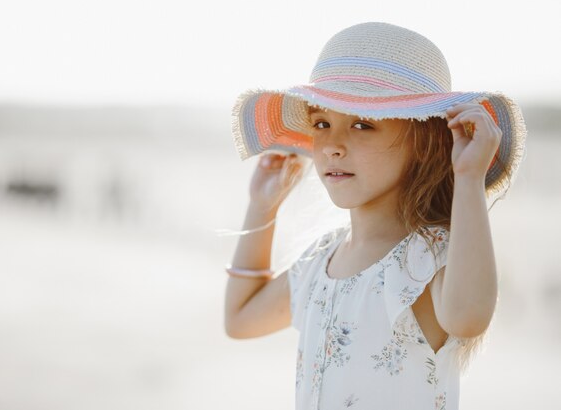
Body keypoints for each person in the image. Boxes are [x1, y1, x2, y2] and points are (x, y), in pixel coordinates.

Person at [223, 22, 526, 410]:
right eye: (321, 124)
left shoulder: (425, 256)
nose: (332, 144)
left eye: (363, 124)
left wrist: (467, 177)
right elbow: (240, 319)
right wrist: (262, 207)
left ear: (424, 142)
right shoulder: (321, 261)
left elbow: (468, 317)